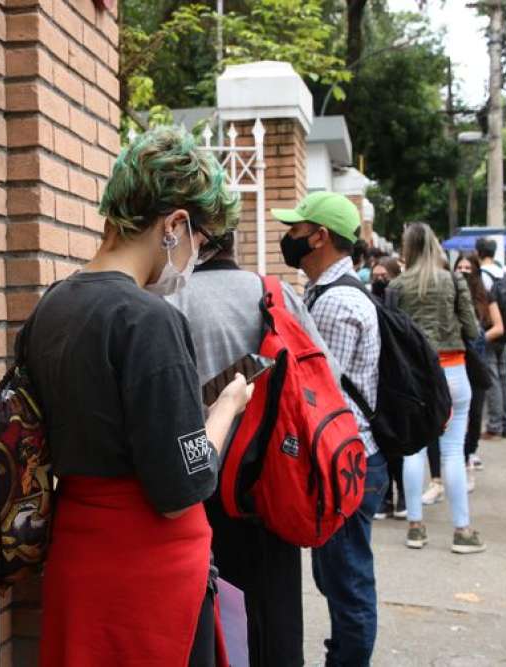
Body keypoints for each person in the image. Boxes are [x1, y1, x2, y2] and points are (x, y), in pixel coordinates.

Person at [28, 126, 251, 667]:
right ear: (174, 224)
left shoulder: (50, 307)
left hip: (77, 555)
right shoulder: (149, 320)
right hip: (149, 576)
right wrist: (223, 410)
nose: (199, 251)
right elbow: (182, 486)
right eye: (200, 237)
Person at [169, 231, 337, 667]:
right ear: (233, 239)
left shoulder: (170, 303)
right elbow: (324, 377)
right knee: (276, 623)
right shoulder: (274, 292)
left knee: (213, 631)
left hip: (201, 492)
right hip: (276, 485)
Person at [273, 191, 388, 666]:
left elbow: (319, 396)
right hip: (354, 456)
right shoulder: (330, 293)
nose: (290, 238)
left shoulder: (335, 303)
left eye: (297, 230)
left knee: (348, 584)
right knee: (338, 576)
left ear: (319, 237)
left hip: (345, 461)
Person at [393, 223, 486, 555]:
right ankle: (462, 531)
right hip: (454, 370)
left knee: (414, 450)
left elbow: (393, 334)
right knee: (452, 453)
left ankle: (416, 528)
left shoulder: (397, 285)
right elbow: (472, 330)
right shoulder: (454, 280)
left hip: (416, 377)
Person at [455, 253, 505, 490]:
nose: (464, 271)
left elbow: (499, 327)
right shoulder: (449, 293)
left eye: (468, 267)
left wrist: (478, 339)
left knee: (475, 410)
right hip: (453, 358)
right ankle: (456, 458)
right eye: (460, 267)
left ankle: (470, 453)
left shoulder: (486, 296)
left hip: (475, 359)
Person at [368, 257, 407, 520]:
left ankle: (403, 494)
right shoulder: (369, 301)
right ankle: (386, 498)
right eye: (376, 275)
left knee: (398, 447)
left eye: (384, 275)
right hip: (376, 384)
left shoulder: (398, 303)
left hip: (395, 382)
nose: (379, 280)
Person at [475, 237, 506, 439]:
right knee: (503, 378)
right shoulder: (503, 272)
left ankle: (494, 425)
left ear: (478, 252)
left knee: (492, 379)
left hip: (490, 331)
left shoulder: (483, 275)